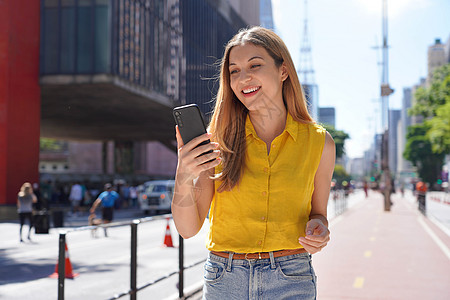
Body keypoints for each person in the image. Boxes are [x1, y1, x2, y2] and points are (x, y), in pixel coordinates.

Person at [172, 27, 335, 299]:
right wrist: (183, 174)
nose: (243, 78)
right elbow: (188, 229)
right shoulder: (216, 141)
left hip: (292, 277)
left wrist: (319, 230)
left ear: (283, 71)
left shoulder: (320, 143)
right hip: (225, 279)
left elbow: (318, 215)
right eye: (234, 71)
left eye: (255, 65)